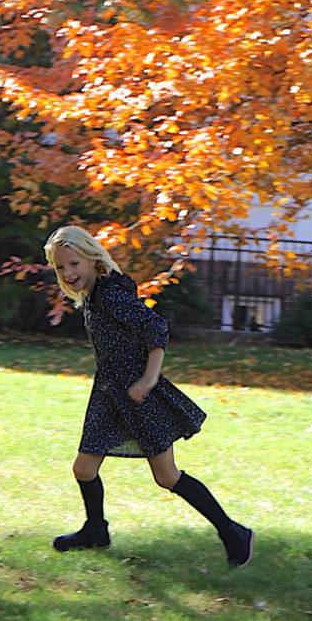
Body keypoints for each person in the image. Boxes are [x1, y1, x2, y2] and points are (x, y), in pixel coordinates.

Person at [43, 225, 254, 568]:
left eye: (74, 263)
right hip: (109, 394)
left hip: (139, 396)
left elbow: (156, 328)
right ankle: (95, 531)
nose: (69, 273)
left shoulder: (112, 295)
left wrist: (148, 380)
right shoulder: (96, 295)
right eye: (61, 268)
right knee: (84, 468)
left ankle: (233, 532)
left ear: (92, 259)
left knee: (166, 476)